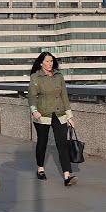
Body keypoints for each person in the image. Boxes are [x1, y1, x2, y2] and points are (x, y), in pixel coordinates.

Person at [28, 51, 77, 186]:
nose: (50, 64)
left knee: (62, 144)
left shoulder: (58, 76)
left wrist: (69, 116)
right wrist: (34, 111)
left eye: (51, 61)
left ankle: (67, 175)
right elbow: (32, 96)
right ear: (41, 63)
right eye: (47, 61)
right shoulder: (36, 77)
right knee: (42, 142)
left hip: (59, 114)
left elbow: (64, 96)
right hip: (43, 114)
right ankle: (40, 168)